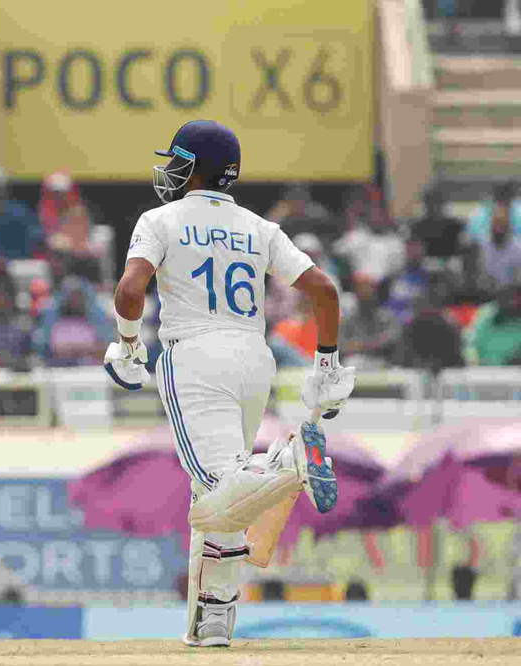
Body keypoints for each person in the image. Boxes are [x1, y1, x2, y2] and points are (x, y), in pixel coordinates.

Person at [105, 120, 356, 648]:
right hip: (254, 358)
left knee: (216, 493)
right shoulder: (259, 227)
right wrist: (328, 365)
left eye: (176, 161)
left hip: (194, 356)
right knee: (224, 494)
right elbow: (326, 292)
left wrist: (129, 345)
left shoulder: (160, 218)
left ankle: (287, 464)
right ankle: (214, 616)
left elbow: (131, 290)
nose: (170, 171)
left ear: (193, 167)